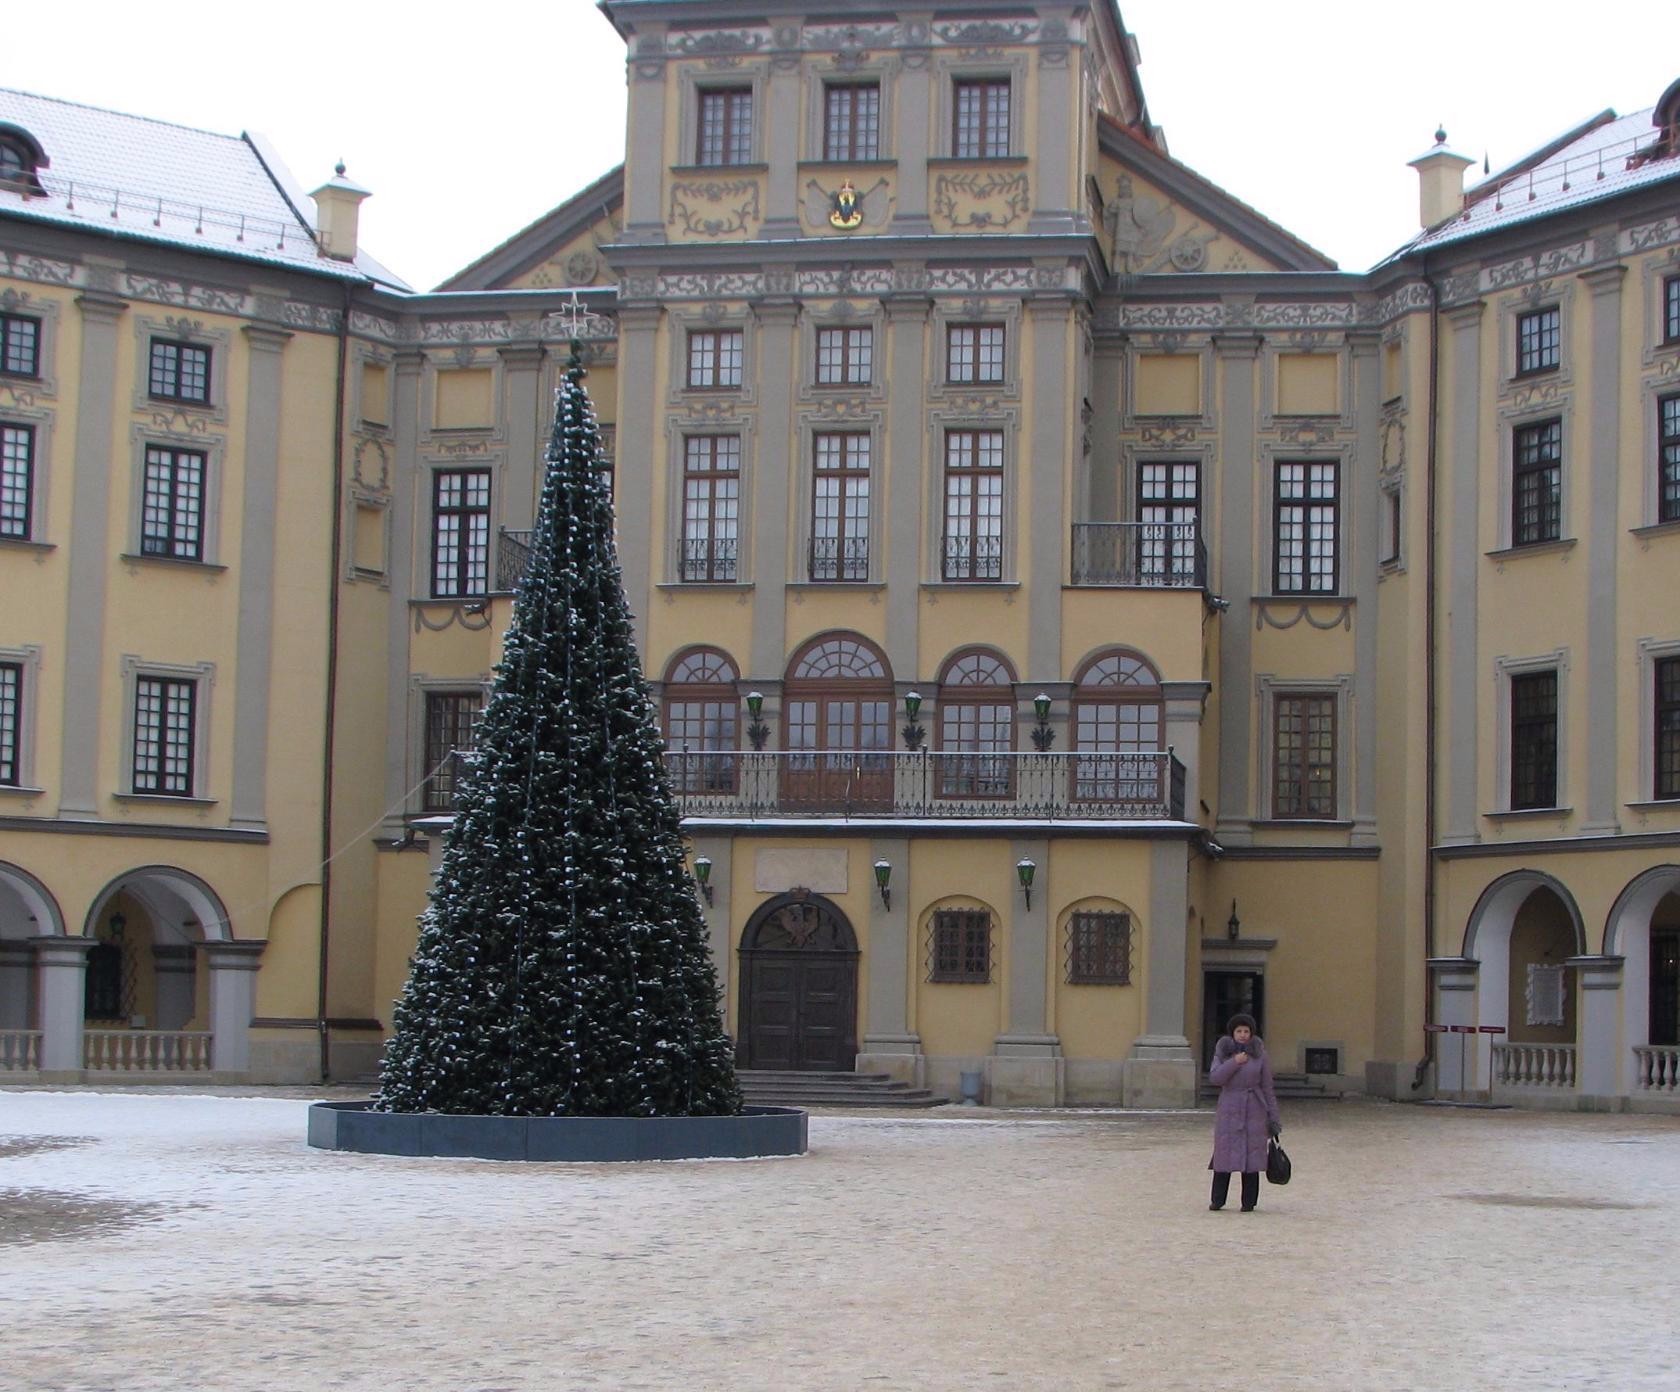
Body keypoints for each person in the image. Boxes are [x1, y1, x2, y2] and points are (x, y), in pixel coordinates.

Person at [1206, 1012, 1281, 1212]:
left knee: (1252, 1157)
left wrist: (1273, 1117)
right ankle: (1218, 1199)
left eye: (1246, 1031)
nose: (1242, 1035)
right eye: (1239, 1031)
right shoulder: (1223, 1053)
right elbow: (1215, 1078)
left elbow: (1267, 1087)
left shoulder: (1260, 1055)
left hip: (1254, 1108)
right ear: (1232, 1033)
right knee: (1224, 1155)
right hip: (1229, 1107)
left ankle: (1249, 1202)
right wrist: (1234, 1062)